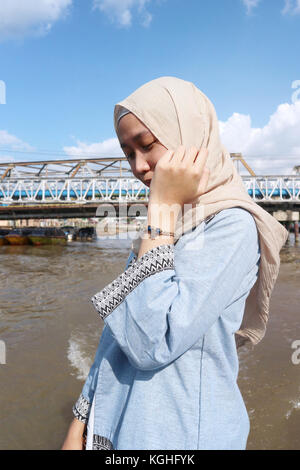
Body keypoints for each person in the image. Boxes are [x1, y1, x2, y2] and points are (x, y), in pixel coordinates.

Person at [61, 76, 288, 450]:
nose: (138, 166)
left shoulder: (232, 226)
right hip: (120, 425)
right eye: (128, 153)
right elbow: (119, 333)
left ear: (192, 136)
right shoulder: (164, 226)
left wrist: (161, 213)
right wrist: (80, 418)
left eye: (147, 145)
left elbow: (152, 343)